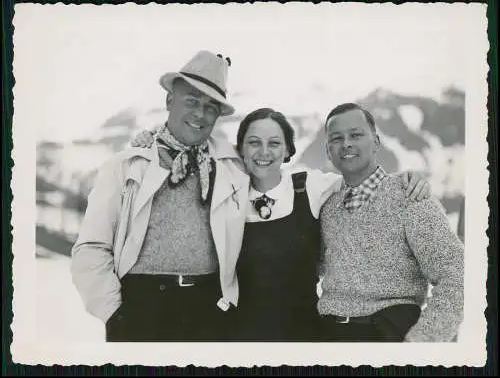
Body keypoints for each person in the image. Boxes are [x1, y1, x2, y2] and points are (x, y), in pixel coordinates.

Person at [131, 107, 431, 341]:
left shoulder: (310, 187)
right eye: (254, 143)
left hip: (306, 337)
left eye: (274, 143)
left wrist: (405, 181)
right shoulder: (224, 193)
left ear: (288, 150)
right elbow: (186, 154)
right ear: (241, 149)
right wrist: (150, 141)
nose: (264, 152)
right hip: (237, 336)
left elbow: (363, 182)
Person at [71, 50, 250, 342]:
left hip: (209, 313)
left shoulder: (231, 168)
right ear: (169, 100)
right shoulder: (126, 166)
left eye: (210, 107)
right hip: (141, 310)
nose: (199, 114)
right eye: (191, 101)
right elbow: (90, 248)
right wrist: (115, 315)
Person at [317, 103, 464, 342]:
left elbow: (457, 274)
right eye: (337, 138)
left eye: (356, 135)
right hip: (330, 335)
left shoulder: (410, 197)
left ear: (376, 142)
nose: (346, 144)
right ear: (327, 150)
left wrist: (422, 342)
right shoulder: (327, 206)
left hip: (387, 333)